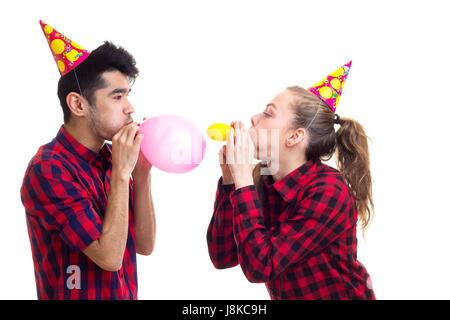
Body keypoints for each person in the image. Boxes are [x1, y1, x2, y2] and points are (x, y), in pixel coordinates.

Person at [207, 61, 376, 299]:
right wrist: (230, 179)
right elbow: (222, 256)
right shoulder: (263, 179)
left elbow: (261, 266)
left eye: (268, 113)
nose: (254, 118)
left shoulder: (329, 190)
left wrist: (243, 177)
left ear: (295, 137)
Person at [20, 21, 156, 300]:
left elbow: (143, 244)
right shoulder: (48, 168)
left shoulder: (111, 159)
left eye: (127, 95)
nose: (130, 108)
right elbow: (109, 257)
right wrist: (121, 174)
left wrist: (141, 173)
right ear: (78, 105)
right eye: (117, 96)